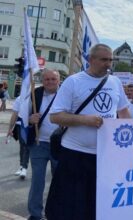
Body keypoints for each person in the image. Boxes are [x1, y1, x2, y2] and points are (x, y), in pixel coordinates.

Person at [45, 44, 130, 220]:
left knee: (97, 206)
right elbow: (55, 116)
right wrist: (85, 120)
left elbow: (124, 114)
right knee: (69, 207)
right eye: (104, 60)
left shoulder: (115, 82)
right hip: (74, 155)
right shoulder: (74, 81)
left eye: (111, 60)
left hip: (104, 157)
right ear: (90, 60)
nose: (108, 64)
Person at [26, 69, 60, 220]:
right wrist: (29, 119)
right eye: (47, 79)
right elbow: (22, 114)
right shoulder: (34, 93)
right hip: (38, 143)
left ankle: (55, 213)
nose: (50, 82)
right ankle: (35, 214)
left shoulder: (66, 94)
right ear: (42, 80)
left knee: (58, 182)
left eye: (53, 79)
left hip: (60, 145)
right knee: (37, 181)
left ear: (59, 80)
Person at [7, 95, 29, 179]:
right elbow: (15, 114)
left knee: (26, 146)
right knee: (22, 146)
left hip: (31, 125)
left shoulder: (35, 97)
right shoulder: (19, 99)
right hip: (21, 125)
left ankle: (24, 167)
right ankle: (22, 166)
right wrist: (10, 129)